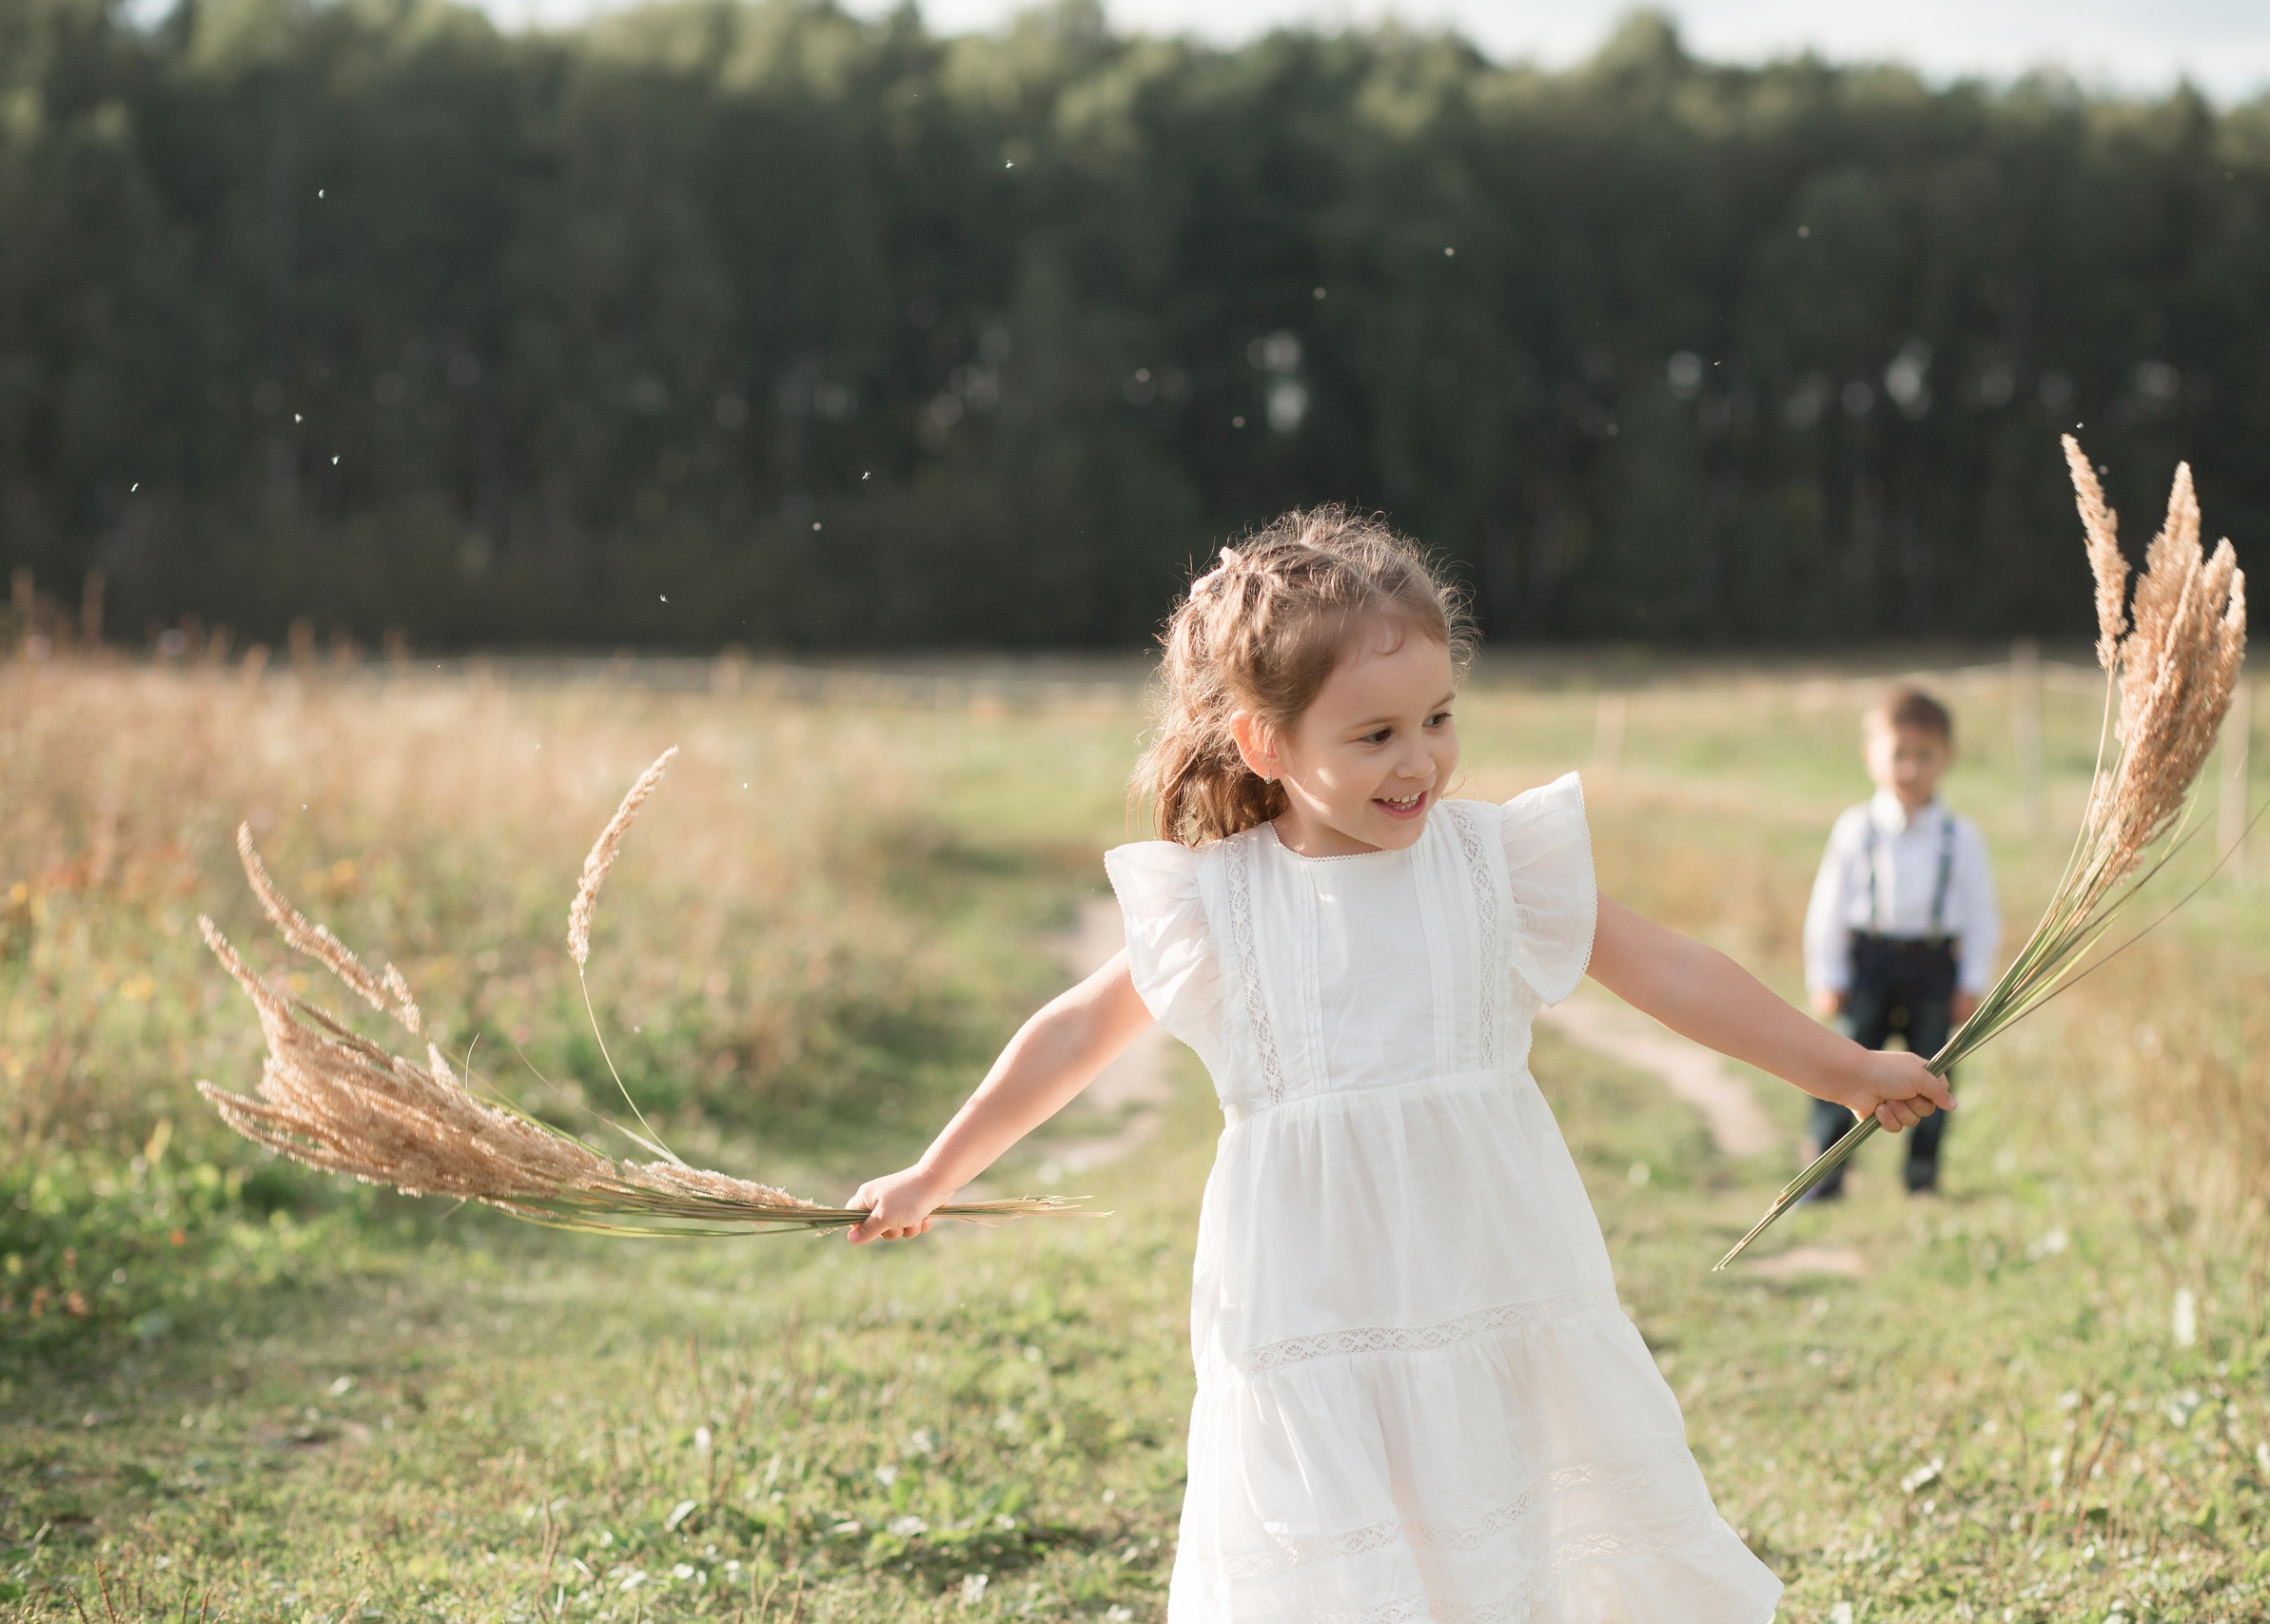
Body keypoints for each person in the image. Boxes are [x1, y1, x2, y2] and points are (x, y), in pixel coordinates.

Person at [845, 509, 1950, 1623]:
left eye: (1437, 718)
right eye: (1374, 735)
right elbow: (1074, 1034)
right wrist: (933, 1175)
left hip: (1490, 1279)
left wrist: (1841, 1068)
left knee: (1509, 1531)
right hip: (1308, 1310)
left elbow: (1669, 969)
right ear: (1267, 746)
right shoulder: (1220, 901)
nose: (1418, 760)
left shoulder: (1491, 862)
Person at [1801, 687, 2000, 1198]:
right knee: (1841, 1067)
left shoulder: (1961, 837)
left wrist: (1972, 983)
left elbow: (1982, 916)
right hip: (1869, 963)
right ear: (1871, 757)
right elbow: (1826, 908)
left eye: (1924, 755)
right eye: (1898, 755)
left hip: (1934, 967)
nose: (1910, 769)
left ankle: (1921, 1176)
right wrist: (1827, 977)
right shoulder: (1855, 829)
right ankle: (1826, 1173)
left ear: (1947, 758)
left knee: (1934, 1075)